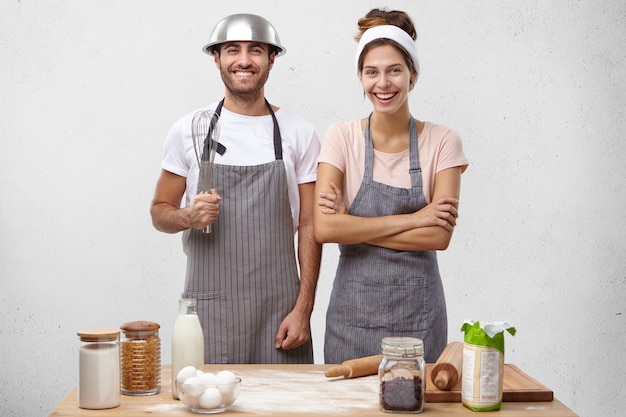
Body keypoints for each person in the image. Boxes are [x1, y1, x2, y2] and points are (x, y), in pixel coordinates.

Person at [150, 13, 322, 364]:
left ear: (272, 59)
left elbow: (310, 226)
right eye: (232, 50)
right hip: (211, 313)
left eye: (255, 50)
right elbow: (159, 211)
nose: (244, 60)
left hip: (280, 312)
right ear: (217, 58)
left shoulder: (298, 132)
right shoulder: (189, 130)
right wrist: (187, 215)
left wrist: (303, 310)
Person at [314, 8, 469, 364]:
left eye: (394, 70)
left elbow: (439, 238)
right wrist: (416, 219)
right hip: (350, 322)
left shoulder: (443, 142)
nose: (382, 83)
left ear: (413, 75)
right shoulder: (341, 137)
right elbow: (323, 228)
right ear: (361, 77)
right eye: (372, 72)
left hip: (419, 321)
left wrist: (351, 226)